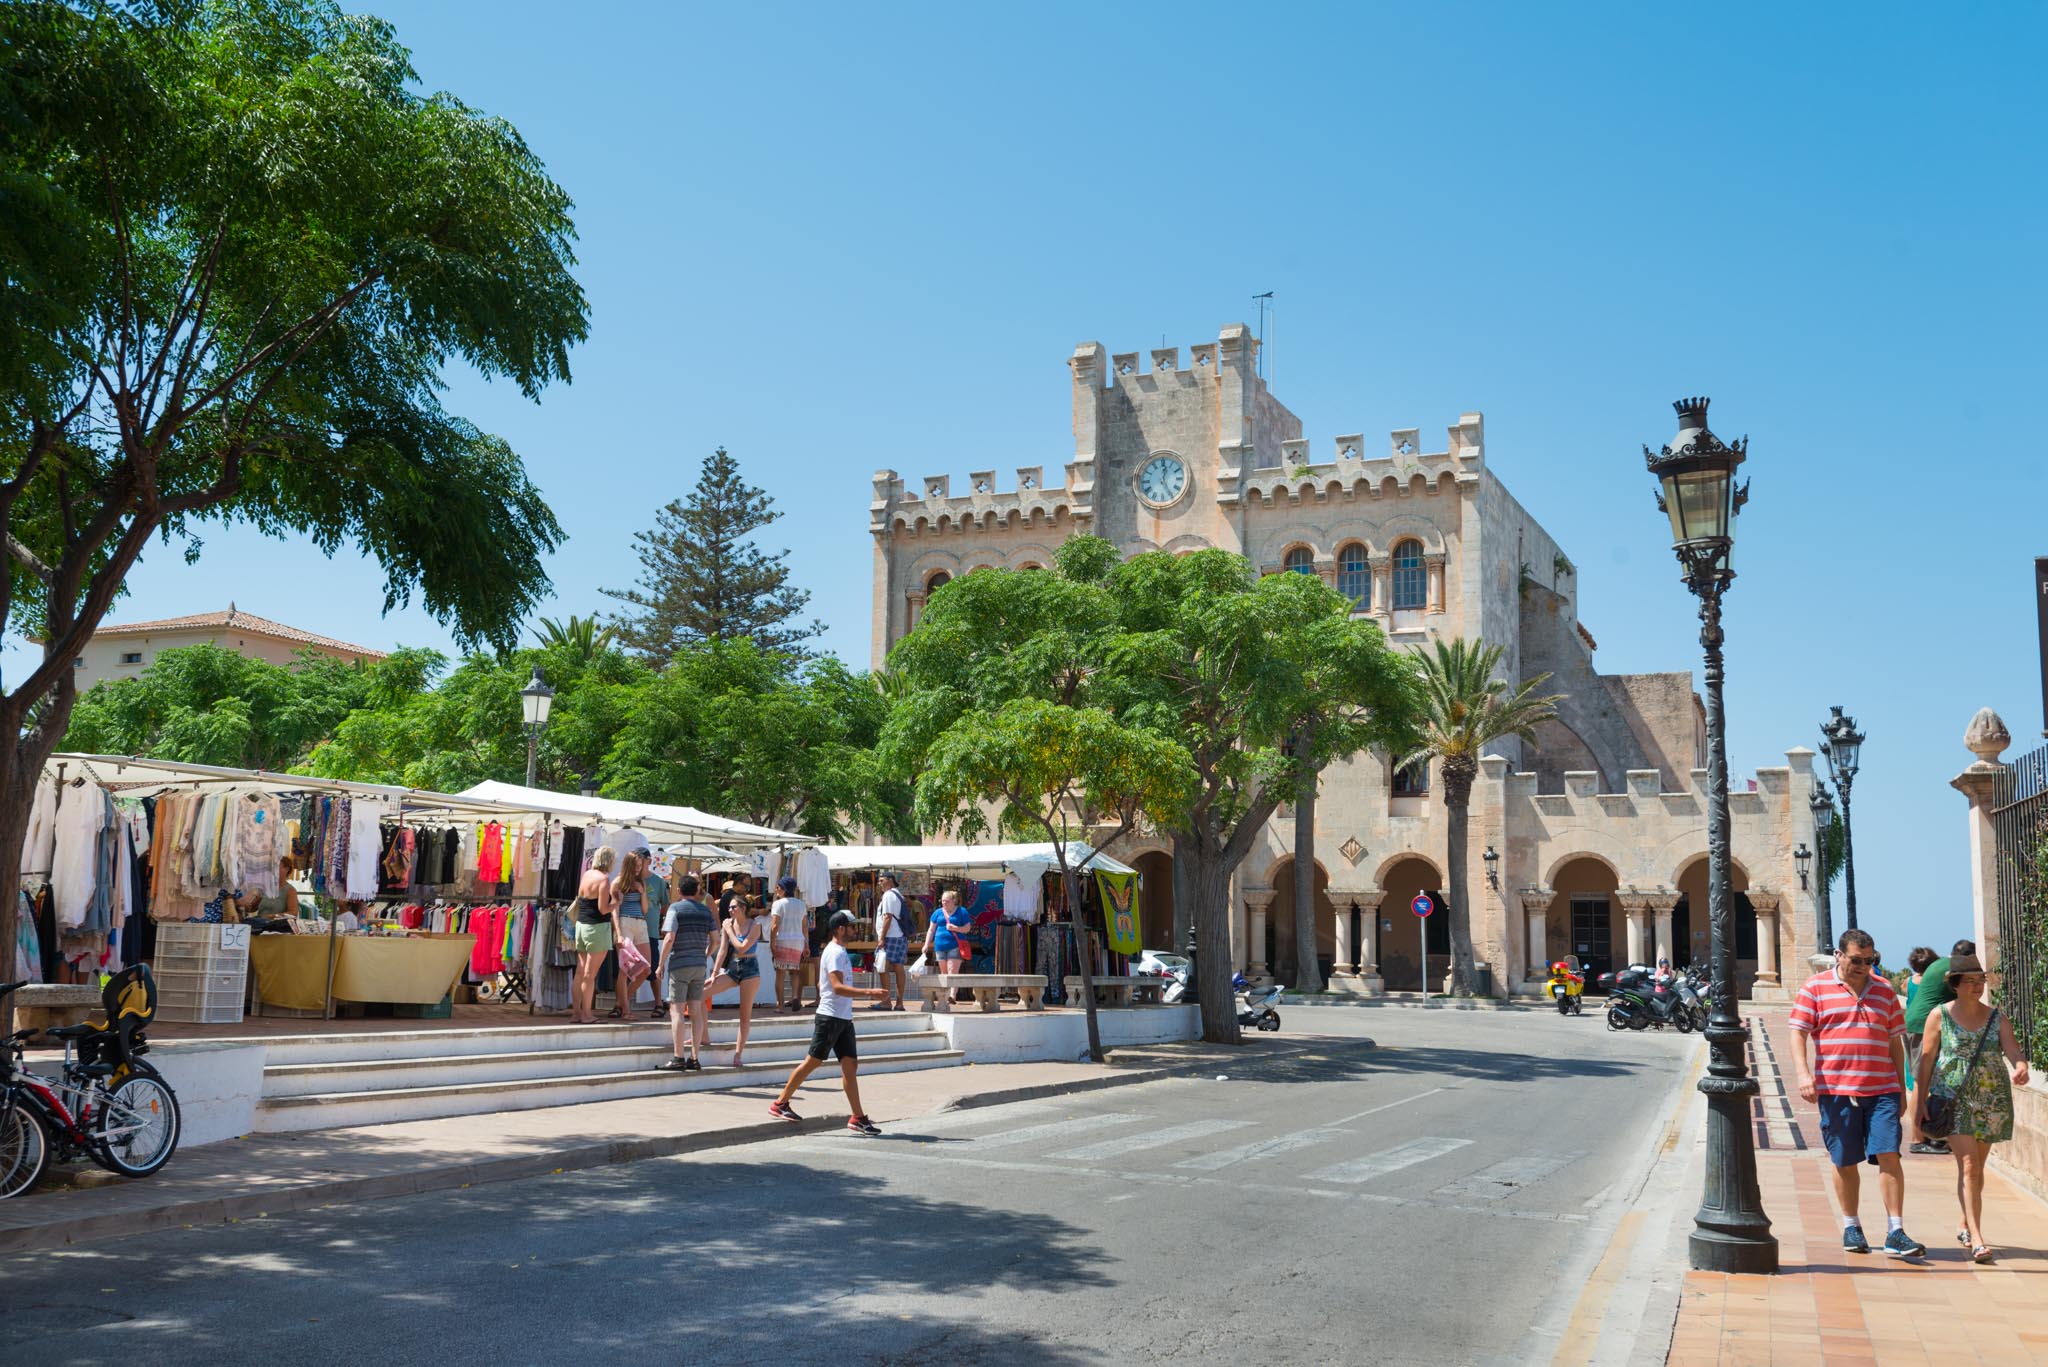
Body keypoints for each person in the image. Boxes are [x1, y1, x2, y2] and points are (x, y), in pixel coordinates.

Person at [1789, 927, 1925, 1258]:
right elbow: (1798, 1032)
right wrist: (1803, 1074)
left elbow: (1895, 1039)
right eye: (1856, 960)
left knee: (1889, 1155)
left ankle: (1896, 1231)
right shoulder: (1815, 988)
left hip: (1882, 1091)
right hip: (1837, 1091)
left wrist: (1901, 1085)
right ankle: (1852, 1225)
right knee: (1845, 1159)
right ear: (1839, 955)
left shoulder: (1884, 990)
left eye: (1869, 960)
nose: (1863, 966)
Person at [1910, 953, 2029, 1262]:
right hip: (1954, 1098)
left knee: (1977, 1166)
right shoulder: (1940, 1015)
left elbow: (2013, 1049)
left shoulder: (1996, 1017)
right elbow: (1925, 1060)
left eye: (1981, 981)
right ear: (1956, 985)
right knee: (1969, 1166)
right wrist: (1920, 1100)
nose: (1978, 987)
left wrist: (2020, 1066)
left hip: (1992, 1100)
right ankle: (1977, 1238)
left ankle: (1965, 1223)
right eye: (1971, 982)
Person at [769, 910, 891, 1134]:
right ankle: (780, 1103)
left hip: (842, 1018)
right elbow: (837, 987)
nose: (856, 930)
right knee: (812, 1061)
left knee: (850, 1066)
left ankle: (858, 1117)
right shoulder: (834, 952)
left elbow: (824, 986)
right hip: (830, 1017)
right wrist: (870, 992)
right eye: (852, 927)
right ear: (841, 929)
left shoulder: (840, 952)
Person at [1905, 938, 1973, 1153]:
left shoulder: (1942, 963)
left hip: (1916, 1023)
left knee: (1926, 1080)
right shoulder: (1954, 969)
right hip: (1921, 1027)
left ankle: (1927, 1134)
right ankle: (1917, 1139)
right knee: (1920, 1081)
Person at [655, 874, 715, 1072]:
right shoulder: (706, 912)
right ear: (697, 891)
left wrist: (661, 964)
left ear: (679, 891)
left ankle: (678, 1056)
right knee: (696, 1012)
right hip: (699, 965)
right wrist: (705, 955)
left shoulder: (675, 908)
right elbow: (716, 939)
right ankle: (695, 1057)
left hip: (680, 963)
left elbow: (670, 937)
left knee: (677, 1011)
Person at [703, 886, 764, 1066]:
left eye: (733, 907)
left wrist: (729, 931)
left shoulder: (755, 925)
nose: (730, 910)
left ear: (743, 908)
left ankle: (738, 1054)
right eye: (729, 907)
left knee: (744, 1014)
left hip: (750, 968)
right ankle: (703, 1035)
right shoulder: (728, 923)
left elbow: (742, 947)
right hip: (732, 967)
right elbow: (722, 950)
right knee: (701, 994)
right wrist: (714, 973)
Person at [571, 847, 620, 1025]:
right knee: (590, 975)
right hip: (596, 928)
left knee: (579, 973)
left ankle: (576, 1013)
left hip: (581, 926)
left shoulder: (587, 874)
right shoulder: (604, 879)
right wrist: (616, 902)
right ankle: (587, 1014)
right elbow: (603, 909)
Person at [610, 850, 657, 1020]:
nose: (639, 869)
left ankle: (621, 1003)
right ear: (629, 865)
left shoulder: (640, 882)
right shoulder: (617, 883)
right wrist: (619, 933)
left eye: (640, 865)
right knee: (625, 970)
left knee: (646, 969)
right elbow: (614, 910)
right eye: (636, 865)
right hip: (625, 922)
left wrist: (642, 893)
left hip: (640, 923)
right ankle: (626, 1011)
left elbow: (645, 910)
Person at [769, 877, 811, 1013]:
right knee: (794, 972)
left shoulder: (778, 904)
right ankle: (794, 996)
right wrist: (806, 945)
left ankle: (780, 1006)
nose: (776, 890)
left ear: (784, 889)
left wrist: (772, 942)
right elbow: (805, 927)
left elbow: (774, 926)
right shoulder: (801, 904)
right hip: (798, 941)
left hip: (782, 940)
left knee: (780, 973)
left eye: (778, 887)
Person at [922, 888, 973, 998]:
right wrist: (926, 944)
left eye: (947, 900)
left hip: (955, 944)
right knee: (944, 972)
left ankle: (952, 996)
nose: (944, 902)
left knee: (952, 971)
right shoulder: (937, 912)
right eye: (943, 900)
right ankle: (945, 995)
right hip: (940, 945)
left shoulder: (962, 911)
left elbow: (967, 928)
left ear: (954, 901)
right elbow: (931, 929)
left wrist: (956, 928)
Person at [871, 872, 909, 1012]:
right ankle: (899, 1003)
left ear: (890, 881)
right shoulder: (898, 895)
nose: (879, 883)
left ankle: (886, 1001)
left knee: (882, 967)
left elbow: (887, 917)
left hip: (889, 937)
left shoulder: (888, 895)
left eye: (882, 880)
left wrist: (881, 938)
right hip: (899, 936)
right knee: (899, 968)